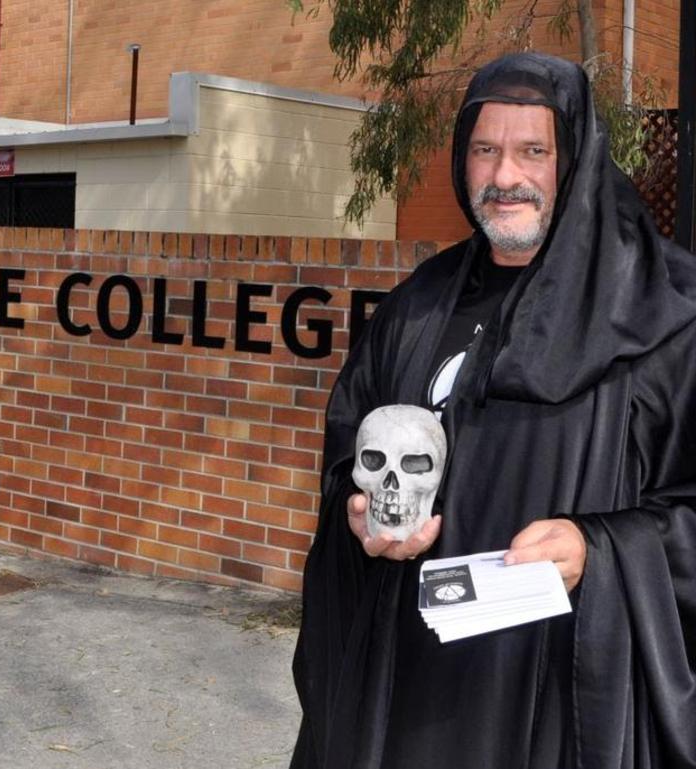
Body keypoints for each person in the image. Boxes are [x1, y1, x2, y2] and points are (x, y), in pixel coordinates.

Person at [290, 52, 696, 769]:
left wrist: (599, 548)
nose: (504, 176)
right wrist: (355, 515)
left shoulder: (663, 315)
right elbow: (346, 450)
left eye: (532, 150)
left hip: (560, 698)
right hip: (414, 689)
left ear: (572, 159)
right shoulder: (416, 306)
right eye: (485, 149)